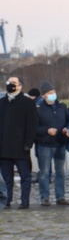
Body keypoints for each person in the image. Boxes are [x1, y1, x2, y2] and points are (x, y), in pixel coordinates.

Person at [0, 76, 38, 209]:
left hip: (21, 147)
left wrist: (28, 143)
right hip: (4, 148)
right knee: (6, 178)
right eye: (9, 82)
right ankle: (7, 200)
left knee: (25, 177)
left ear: (20, 86)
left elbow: (32, 125)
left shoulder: (27, 102)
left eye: (13, 83)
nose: (10, 85)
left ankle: (25, 201)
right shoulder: (2, 102)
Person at [35, 81, 69, 206]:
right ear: (44, 95)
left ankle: (60, 196)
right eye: (50, 93)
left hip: (60, 143)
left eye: (54, 92)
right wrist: (46, 131)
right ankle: (44, 197)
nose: (53, 95)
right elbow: (34, 128)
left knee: (60, 172)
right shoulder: (38, 109)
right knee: (44, 172)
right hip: (45, 145)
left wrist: (67, 129)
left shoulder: (62, 106)